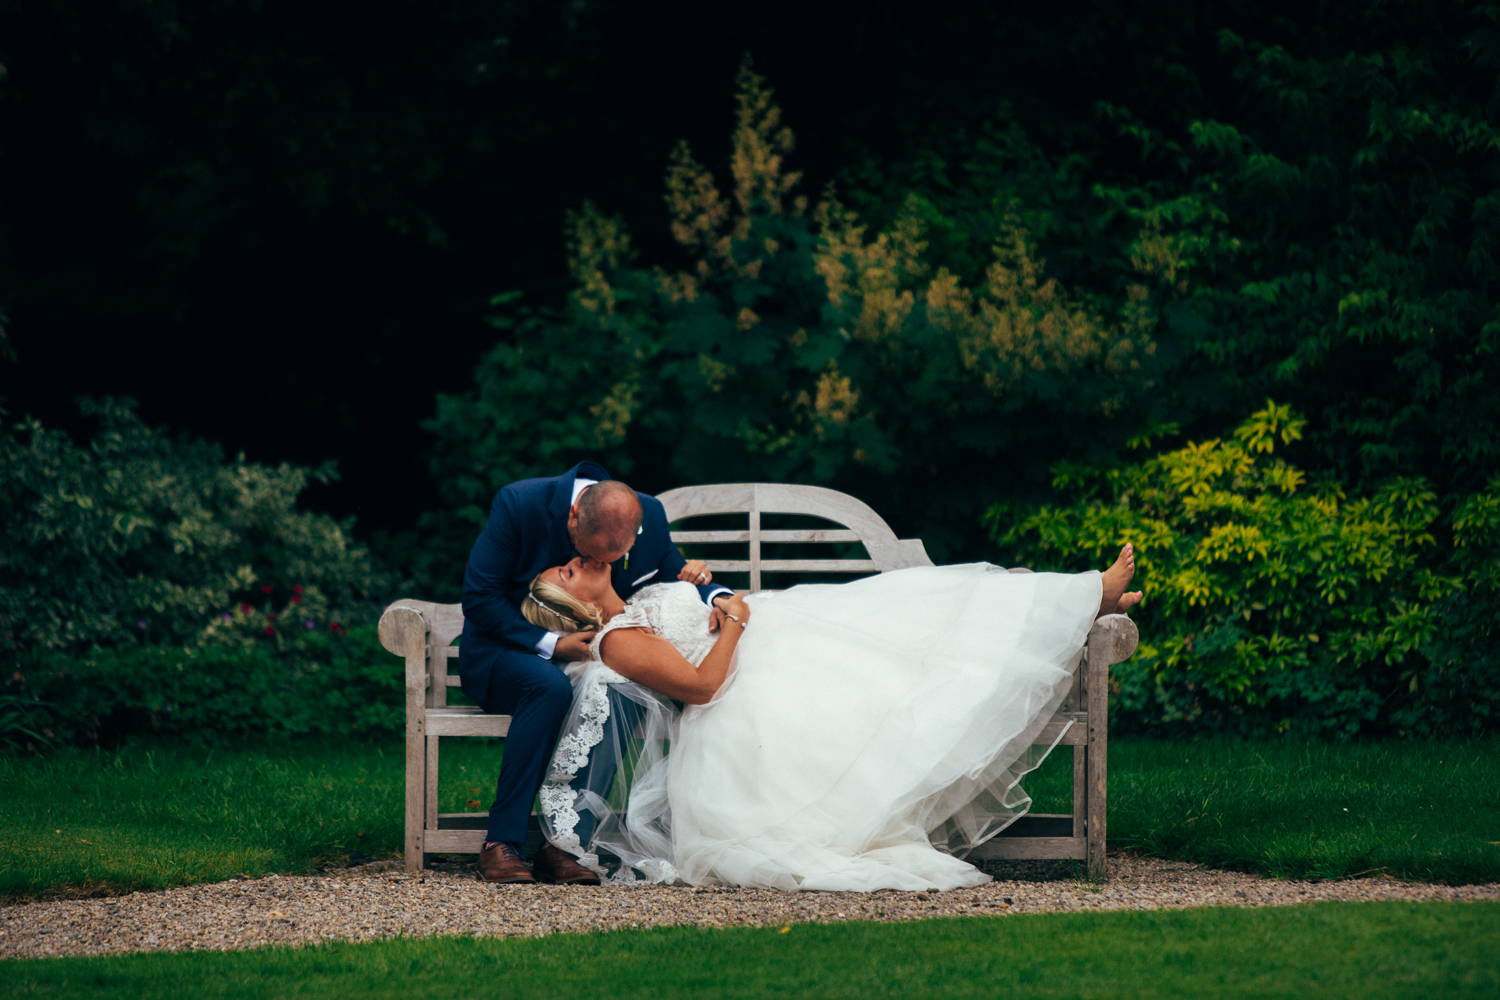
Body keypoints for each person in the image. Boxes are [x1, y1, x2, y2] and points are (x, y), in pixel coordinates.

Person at [522, 544, 1142, 891]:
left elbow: (695, 626)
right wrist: (736, 617)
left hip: (774, 634)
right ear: (570, 603)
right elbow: (705, 686)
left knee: (906, 608)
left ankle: (1079, 600)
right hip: (748, 679)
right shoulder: (617, 640)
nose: (575, 559)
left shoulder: (640, 599)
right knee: (902, 647)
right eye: (566, 571)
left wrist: (708, 591)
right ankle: (1086, 597)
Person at [458, 461, 733, 885]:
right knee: (546, 686)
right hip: (508, 649)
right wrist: (551, 645)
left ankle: (564, 844)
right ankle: (501, 844)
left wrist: (716, 594)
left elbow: (671, 572)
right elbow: (480, 598)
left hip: (599, 653)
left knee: (625, 687)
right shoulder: (520, 505)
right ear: (573, 516)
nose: (593, 564)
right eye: (586, 554)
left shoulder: (649, 515)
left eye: (611, 559)